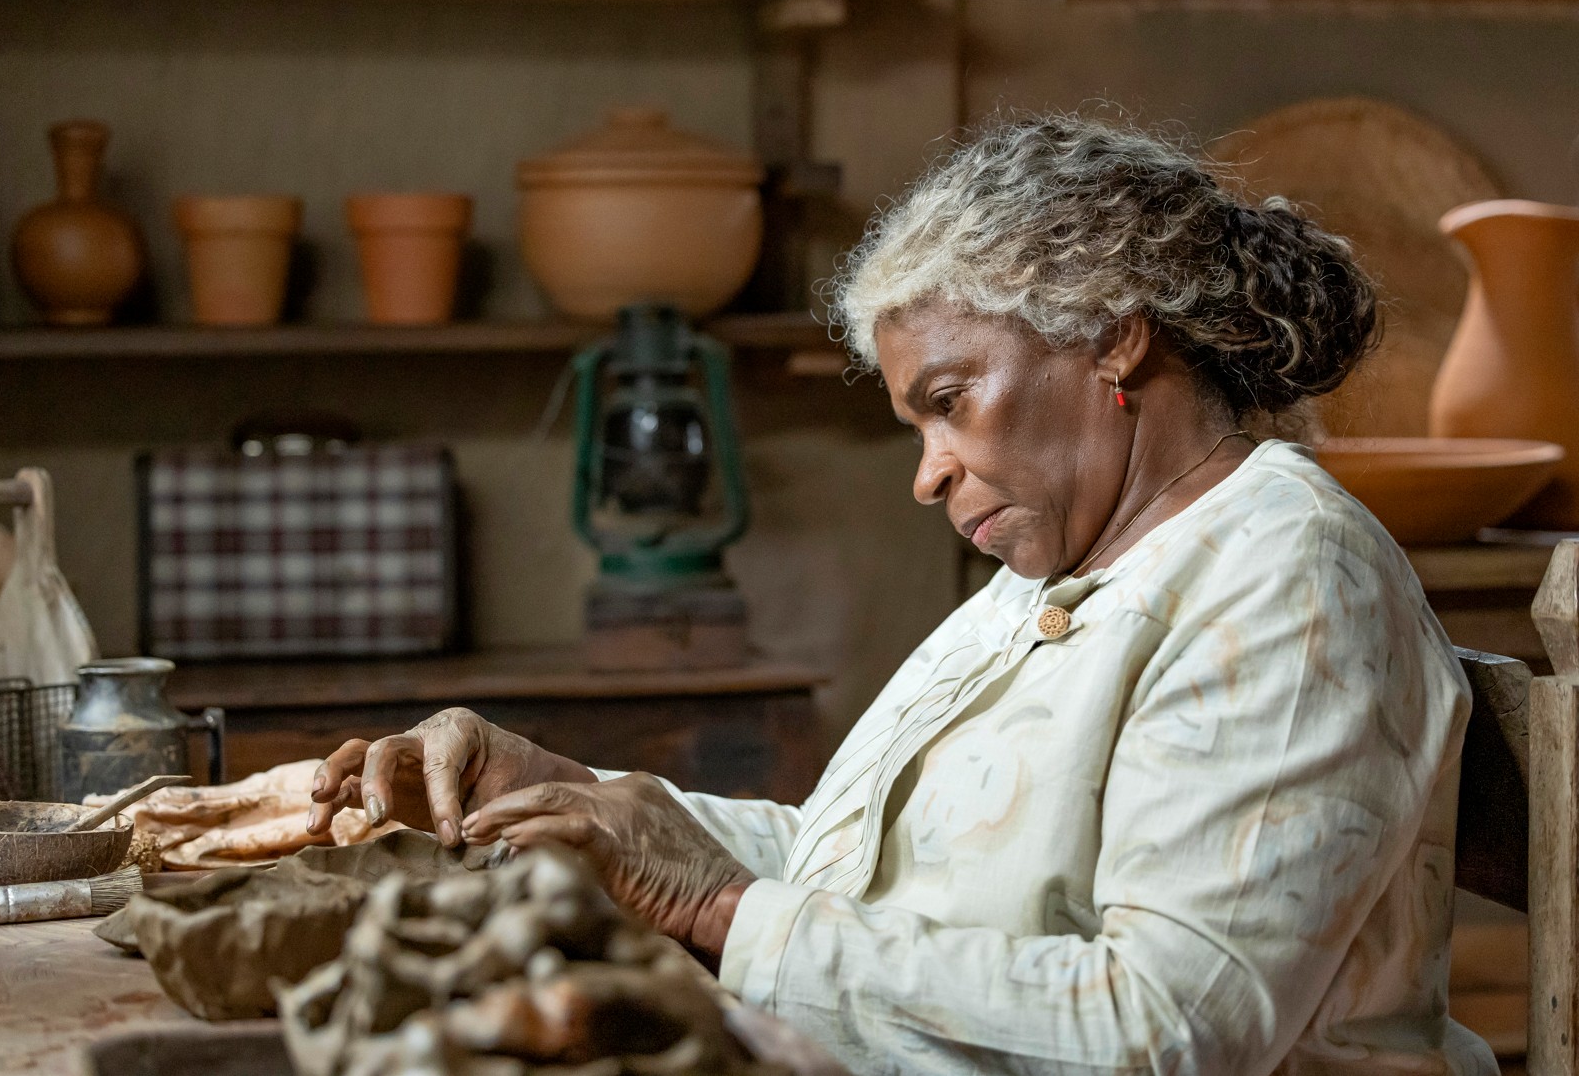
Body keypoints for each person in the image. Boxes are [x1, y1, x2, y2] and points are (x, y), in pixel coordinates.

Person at [308, 113, 1496, 1076]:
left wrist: (715, 902)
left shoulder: (1286, 578)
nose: (926, 471)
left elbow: (1164, 1031)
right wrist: (575, 795)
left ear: (1112, 340)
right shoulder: (1055, 572)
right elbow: (852, 873)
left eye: (947, 398)